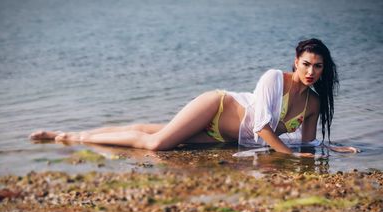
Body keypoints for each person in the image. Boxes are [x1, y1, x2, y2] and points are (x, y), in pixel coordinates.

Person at [30, 38, 358, 156]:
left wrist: (329, 147)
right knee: (156, 144)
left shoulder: (314, 103)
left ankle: (81, 134)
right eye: (306, 64)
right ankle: (73, 136)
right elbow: (261, 127)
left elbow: (306, 143)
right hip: (215, 107)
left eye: (317, 66)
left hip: (222, 139)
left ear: (324, 69)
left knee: (155, 132)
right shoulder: (274, 78)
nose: (311, 71)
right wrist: (287, 156)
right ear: (295, 61)